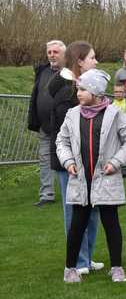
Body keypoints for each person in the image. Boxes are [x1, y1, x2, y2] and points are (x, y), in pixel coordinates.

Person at [57, 69, 126, 283]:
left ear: (96, 92)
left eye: (83, 89)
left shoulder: (115, 114)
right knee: (77, 224)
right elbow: (61, 141)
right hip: (81, 180)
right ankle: (70, 269)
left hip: (106, 179)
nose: (79, 93)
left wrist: (116, 162)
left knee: (111, 223)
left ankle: (117, 267)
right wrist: (68, 162)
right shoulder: (72, 114)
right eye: (78, 89)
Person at [48, 41, 102, 275]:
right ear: (80, 61)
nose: (96, 61)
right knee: (75, 211)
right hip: (70, 163)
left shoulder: (86, 88)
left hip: (90, 159)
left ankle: (87, 257)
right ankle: (78, 261)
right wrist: (72, 161)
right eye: (92, 57)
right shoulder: (66, 93)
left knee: (93, 209)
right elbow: (65, 135)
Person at [28, 40, 66, 206]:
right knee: (44, 159)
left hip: (65, 126)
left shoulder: (70, 73)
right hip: (45, 126)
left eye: (55, 52)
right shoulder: (42, 72)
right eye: (49, 52)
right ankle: (46, 195)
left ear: (63, 54)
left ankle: (71, 192)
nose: (52, 55)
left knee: (67, 159)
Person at [112, 83, 126, 178]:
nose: (118, 94)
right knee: (115, 148)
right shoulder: (110, 103)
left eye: (121, 92)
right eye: (116, 92)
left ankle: (125, 168)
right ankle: (115, 166)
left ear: (125, 93)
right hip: (114, 130)